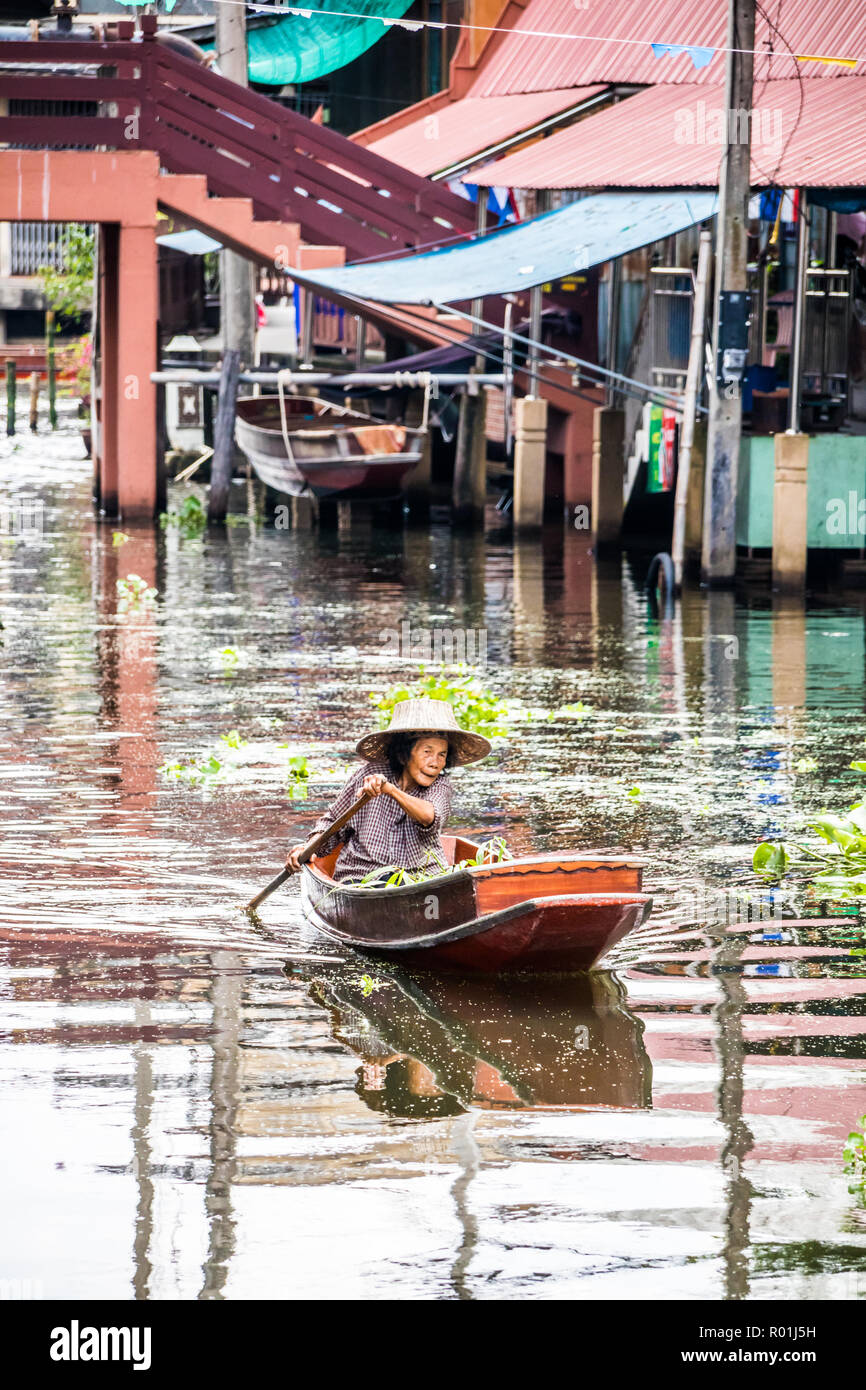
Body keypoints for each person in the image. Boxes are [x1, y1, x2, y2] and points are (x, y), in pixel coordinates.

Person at [285, 697, 491, 883]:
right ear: (403, 755)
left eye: (441, 754)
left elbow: (430, 816)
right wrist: (307, 848)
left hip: (420, 878)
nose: (435, 763)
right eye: (427, 752)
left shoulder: (440, 786)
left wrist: (391, 791)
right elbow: (332, 823)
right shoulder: (369, 774)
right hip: (361, 877)